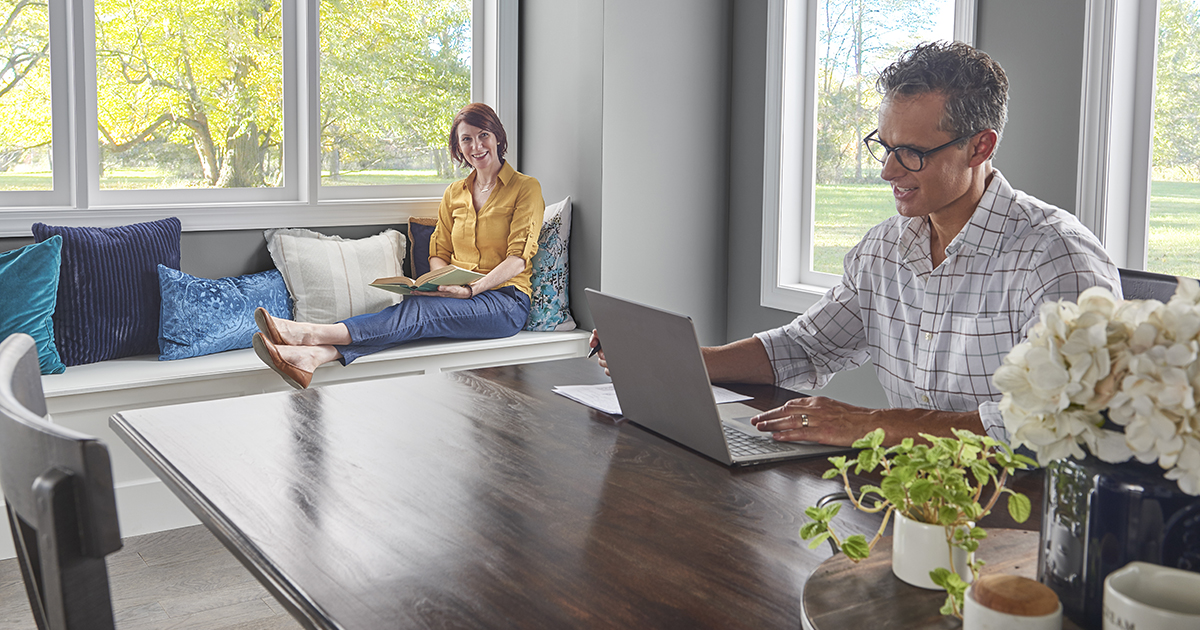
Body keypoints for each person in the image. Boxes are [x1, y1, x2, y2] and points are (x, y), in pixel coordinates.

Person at [592, 41, 1122, 447]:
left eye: (912, 152)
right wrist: (679, 360)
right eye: (884, 147)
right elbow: (805, 346)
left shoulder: (1056, 259)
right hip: (906, 495)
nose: (889, 170)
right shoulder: (884, 250)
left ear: (980, 147)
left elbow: (1055, 423)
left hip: (1019, 517)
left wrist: (868, 425)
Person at [253, 103, 544, 389]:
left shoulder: (525, 188)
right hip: (458, 295)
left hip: (505, 302)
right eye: (466, 139)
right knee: (415, 309)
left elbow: (518, 258)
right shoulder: (454, 193)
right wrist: (438, 283)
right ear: (458, 147)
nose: (476, 146)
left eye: (483, 135)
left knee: (421, 313)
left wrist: (469, 290)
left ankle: (310, 335)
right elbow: (438, 252)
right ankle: (314, 356)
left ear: (497, 137)